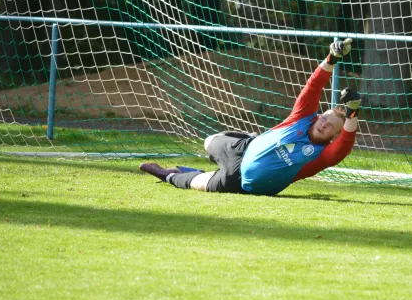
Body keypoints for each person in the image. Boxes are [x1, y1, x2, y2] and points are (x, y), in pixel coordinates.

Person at [139, 39, 361, 196]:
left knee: (191, 183)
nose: (324, 124)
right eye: (324, 118)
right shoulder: (301, 118)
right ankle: (249, 137)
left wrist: (352, 112)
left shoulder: (320, 156)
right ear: (318, 116)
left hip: (240, 183)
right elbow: (313, 87)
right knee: (208, 142)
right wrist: (331, 58)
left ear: (333, 136)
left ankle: (167, 173)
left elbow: (345, 145)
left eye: (331, 127)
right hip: (241, 149)